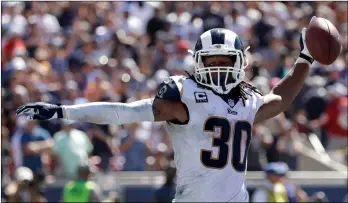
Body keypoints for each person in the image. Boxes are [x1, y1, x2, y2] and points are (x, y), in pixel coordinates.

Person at [16, 15, 317, 202]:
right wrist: (64, 111)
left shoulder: (248, 100)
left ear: (240, 62)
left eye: (224, 60)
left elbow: (279, 100)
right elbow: (124, 112)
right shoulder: (184, 95)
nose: (218, 67)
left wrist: (304, 58)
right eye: (211, 61)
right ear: (198, 63)